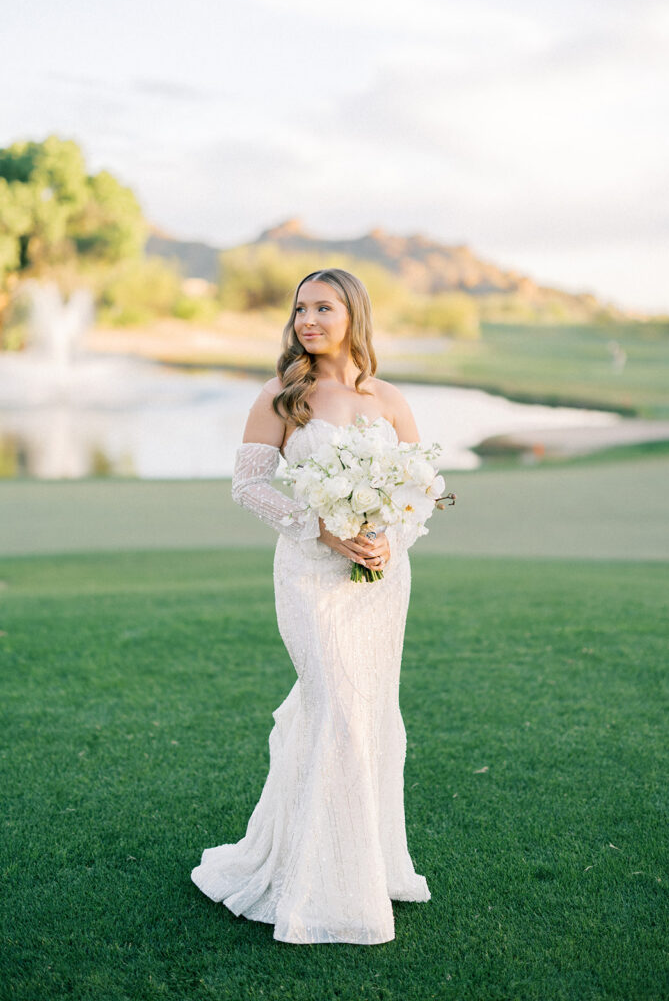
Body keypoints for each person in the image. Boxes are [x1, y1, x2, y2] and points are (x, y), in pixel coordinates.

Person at [190, 268, 431, 944]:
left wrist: (390, 538)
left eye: (322, 307)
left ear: (352, 313)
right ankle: (318, 889)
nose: (307, 319)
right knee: (335, 711)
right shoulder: (282, 395)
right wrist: (322, 527)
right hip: (308, 573)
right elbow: (248, 484)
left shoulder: (387, 399)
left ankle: (366, 868)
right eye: (299, 308)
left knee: (371, 715)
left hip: (381, 583)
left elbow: (423, 489)